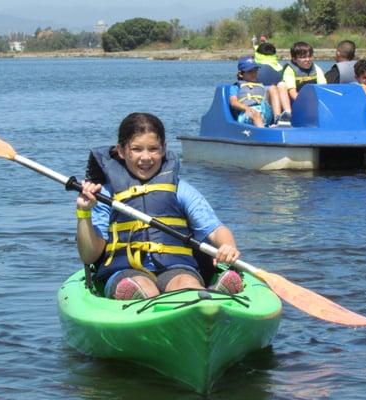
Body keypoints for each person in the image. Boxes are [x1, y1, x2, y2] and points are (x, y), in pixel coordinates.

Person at [76, 112, 244, 300]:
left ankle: (208, 298)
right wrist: (84, 212)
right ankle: (141, 299)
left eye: (153, 149)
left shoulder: (180, 190)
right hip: (126, 272)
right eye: (137, 149)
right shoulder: (105, 195)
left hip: (176, 268)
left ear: (164, 149)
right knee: (143, 287)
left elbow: (214, 229)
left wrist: (227, 246)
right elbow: (89, 256)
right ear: (121, 151)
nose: (146, 157)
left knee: (186, 284)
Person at [229, 56, 290, 127]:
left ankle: (278, 119)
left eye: (255, 70)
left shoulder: (261, 85)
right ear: (241, 74)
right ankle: (263, 133)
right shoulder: (236, 87)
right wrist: (246, 108)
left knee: (273, 88)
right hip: (247, 113)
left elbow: (270, 95)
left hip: (264, 112)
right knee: (256, 114)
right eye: (250, 71)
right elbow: (233, 102)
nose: (254, 74)